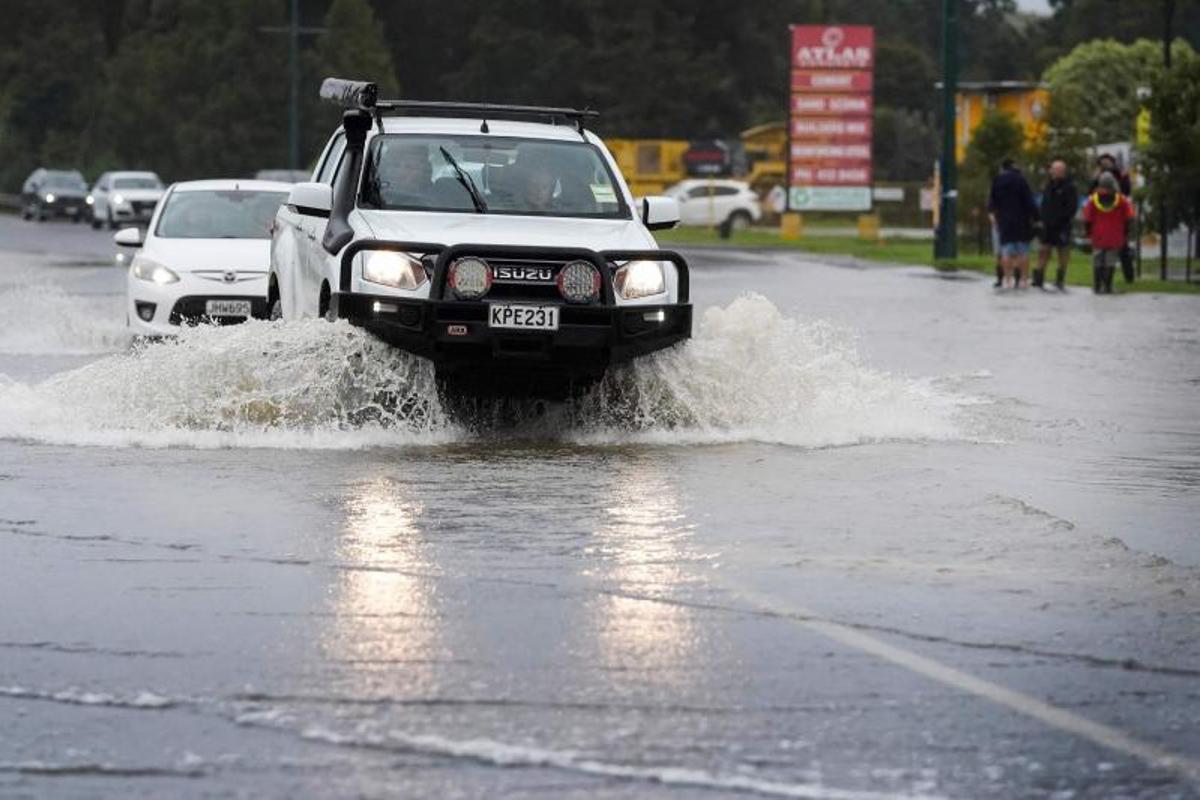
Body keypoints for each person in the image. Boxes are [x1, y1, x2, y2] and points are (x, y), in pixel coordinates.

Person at [988, 157, 1038, 289]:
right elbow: (1029, 201)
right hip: (1021, 220)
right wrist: (1036, 217)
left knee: (1006, 251)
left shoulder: (998, 180)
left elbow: (993, 201)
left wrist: (993, 214)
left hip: (1004, 220)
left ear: (1002, 168)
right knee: (1022, 251)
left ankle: (1007, 279)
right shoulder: (1021, 180)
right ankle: (1023, 279)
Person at [1083, 172, 1135, 294]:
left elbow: (1087, 219)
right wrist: (1126, 232)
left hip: (1098, 235)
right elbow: (1129, 217)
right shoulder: (1121, 200)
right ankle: (1107, 286)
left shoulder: (1093, 200)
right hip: (1116, 235)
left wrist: (1088, 232)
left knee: (1098, 260)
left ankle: (1096, 286)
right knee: (1110, 261)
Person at [1034, 159, 1079, 291]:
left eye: (1056, 170)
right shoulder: (1049, 185)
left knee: (1062, 251)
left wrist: (1062, 219)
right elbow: (1044, 204)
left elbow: (1071, 208)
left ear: (1062, 171)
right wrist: (1041, 218)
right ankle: (1039, 277)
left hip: (1062, 226)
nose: (1053, 172)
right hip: (1047, 225)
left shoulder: (1069, 187)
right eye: (1052, 169)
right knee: (1044, 250)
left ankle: (1060, 278)